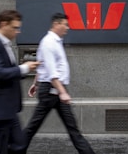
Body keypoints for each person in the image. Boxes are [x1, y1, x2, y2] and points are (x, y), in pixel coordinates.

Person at [23, 12, 95, 154]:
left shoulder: (54, 42)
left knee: (72, 128)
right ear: (56, 24)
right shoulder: (49, 43)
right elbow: (51, 72)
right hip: (52, 91)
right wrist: (62, 92)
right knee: (33, 127)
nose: (67, 28)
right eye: (65, 24)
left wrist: (35, 84)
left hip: (54, 90)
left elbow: (42, 66)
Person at [0, 10, 40, 154]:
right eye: (15, 28)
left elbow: (9, 72)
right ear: (3, 24)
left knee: (19, 146)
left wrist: (25, 69)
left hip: (8, 111)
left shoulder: (5, 45)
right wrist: (23, 69)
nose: (18, 31)